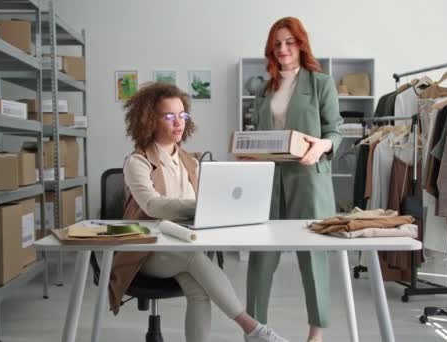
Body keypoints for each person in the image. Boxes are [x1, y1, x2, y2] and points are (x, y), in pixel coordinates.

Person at [108, 82, 288, 342]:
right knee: (195, 259)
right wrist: (199, 206)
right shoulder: (137, 162)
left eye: (183, 115)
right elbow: (153, 205)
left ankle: (254, 332)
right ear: (149, 120)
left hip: (180, 246)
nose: (178, 122)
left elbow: (210, 202)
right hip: (146, 252)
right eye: (169, 116)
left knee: (199, 292)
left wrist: (225, 206)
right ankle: (254, 330)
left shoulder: (191, 162)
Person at [245, 17, 343, 342]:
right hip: (269, 181)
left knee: (312, 259)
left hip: (308, 179)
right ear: (271, 50)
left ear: (301, 43)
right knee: (260, 259)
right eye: (277, 43)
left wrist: (322, 146)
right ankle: (254, 330)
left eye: (289, 41)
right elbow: (258, 133)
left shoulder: (320, 83)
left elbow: (335, 131)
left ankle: (316, 334)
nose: (283, 48)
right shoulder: (265, 88)